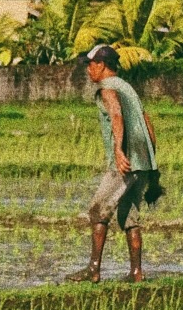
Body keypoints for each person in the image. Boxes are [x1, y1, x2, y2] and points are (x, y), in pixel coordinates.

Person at [66, 44, 159, 283]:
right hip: (143, 162)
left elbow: (117, 115)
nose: (88, 71)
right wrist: (150, 160)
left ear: (101, 65)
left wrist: (119, 151)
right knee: (128, 215)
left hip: (126, 162)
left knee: (98, 210)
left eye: (90, 65)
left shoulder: (107, 88)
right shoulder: (127, 88)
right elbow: (147, 121)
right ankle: (136, 273)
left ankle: (93, 269)